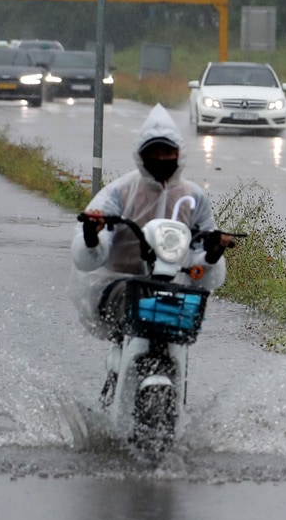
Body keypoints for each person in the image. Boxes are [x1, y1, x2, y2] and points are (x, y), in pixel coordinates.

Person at [69, 104, 229, 366]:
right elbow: (90, 255)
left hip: (174, 288)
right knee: (134, 305)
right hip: (120, 286)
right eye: (153, 152)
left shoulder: (193, 197)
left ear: (179, 154)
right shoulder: (119, 193)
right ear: (140, 155)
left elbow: (201, 260)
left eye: (168, 152)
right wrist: (91, 237)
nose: (161, 158)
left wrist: (211, 255)